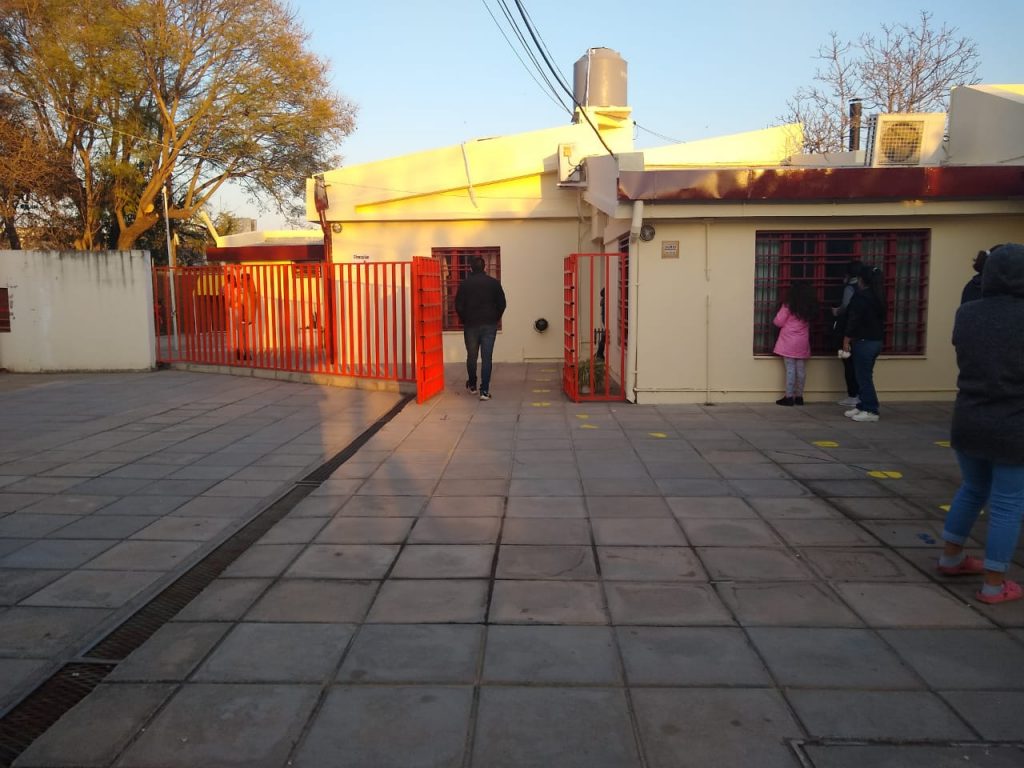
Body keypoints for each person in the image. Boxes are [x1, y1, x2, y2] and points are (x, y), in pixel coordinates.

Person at [937, 244, 1024, 604]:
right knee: (1007, 502)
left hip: (969, 416)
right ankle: (993, 584)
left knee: (972, 489)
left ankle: (951, 557)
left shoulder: (968, 314)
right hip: (1013, 423)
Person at [455, 256, 506, 401]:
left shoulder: (465, 284)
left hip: (471, 325)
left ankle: (472, 385)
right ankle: (484, 391)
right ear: (484, 267)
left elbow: (458, 305)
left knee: (472, 356)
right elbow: (502, 304)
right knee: (487, 358)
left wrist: (465, 319)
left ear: (471, 268)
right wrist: (495, 318)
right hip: (489, 325)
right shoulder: (493, 283)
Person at [841, 265, 886, 422]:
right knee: (864, 375)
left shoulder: (861, 297)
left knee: (863, 376)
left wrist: (846, 339)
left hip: (864, 341)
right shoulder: (878, 296)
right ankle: (862, 405)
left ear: (861, 280)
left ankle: (871, 409)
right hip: (876, 341)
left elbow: (853, 319)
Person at [772, 281, 816, 406]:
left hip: (789, 340)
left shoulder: (788, 305)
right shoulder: (809, 306)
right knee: (801, 369)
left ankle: (789, 396)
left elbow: (778, 322)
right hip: (802, 341)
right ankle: (799, 396)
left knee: (790, 369)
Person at [832, 260, 861, 406]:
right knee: (858, 365)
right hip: (862, 335)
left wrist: (836, 311)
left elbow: (846, 306)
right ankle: (858, 395)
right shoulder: (868, 289)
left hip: (845, 333)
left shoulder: (849, 288)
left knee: (847, 363)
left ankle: (852, 395)